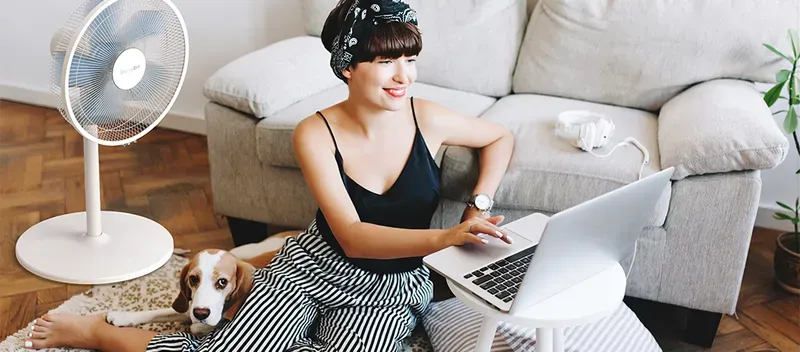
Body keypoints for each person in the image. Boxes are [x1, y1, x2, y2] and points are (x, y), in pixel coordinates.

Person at [23, 0, 514, 351]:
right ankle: (94, 332)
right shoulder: (315, 133)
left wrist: (479, 206)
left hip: (393, 288)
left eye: (409, 60)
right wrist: (448, 236)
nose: (403, 76)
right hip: (313, 267)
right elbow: (354, 237)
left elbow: (500, 137)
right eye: (386, 61)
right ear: (347, 68)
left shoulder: (427, 116)